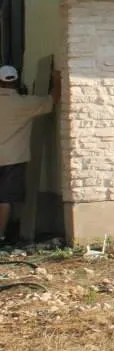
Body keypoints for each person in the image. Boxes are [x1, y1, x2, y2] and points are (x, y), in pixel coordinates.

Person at [0, 65, 59, 240]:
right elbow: (53, 99)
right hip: (13, 158)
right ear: (16, 81)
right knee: (4, 199)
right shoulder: (24, 103)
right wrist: (57, 79)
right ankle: (1, 236)